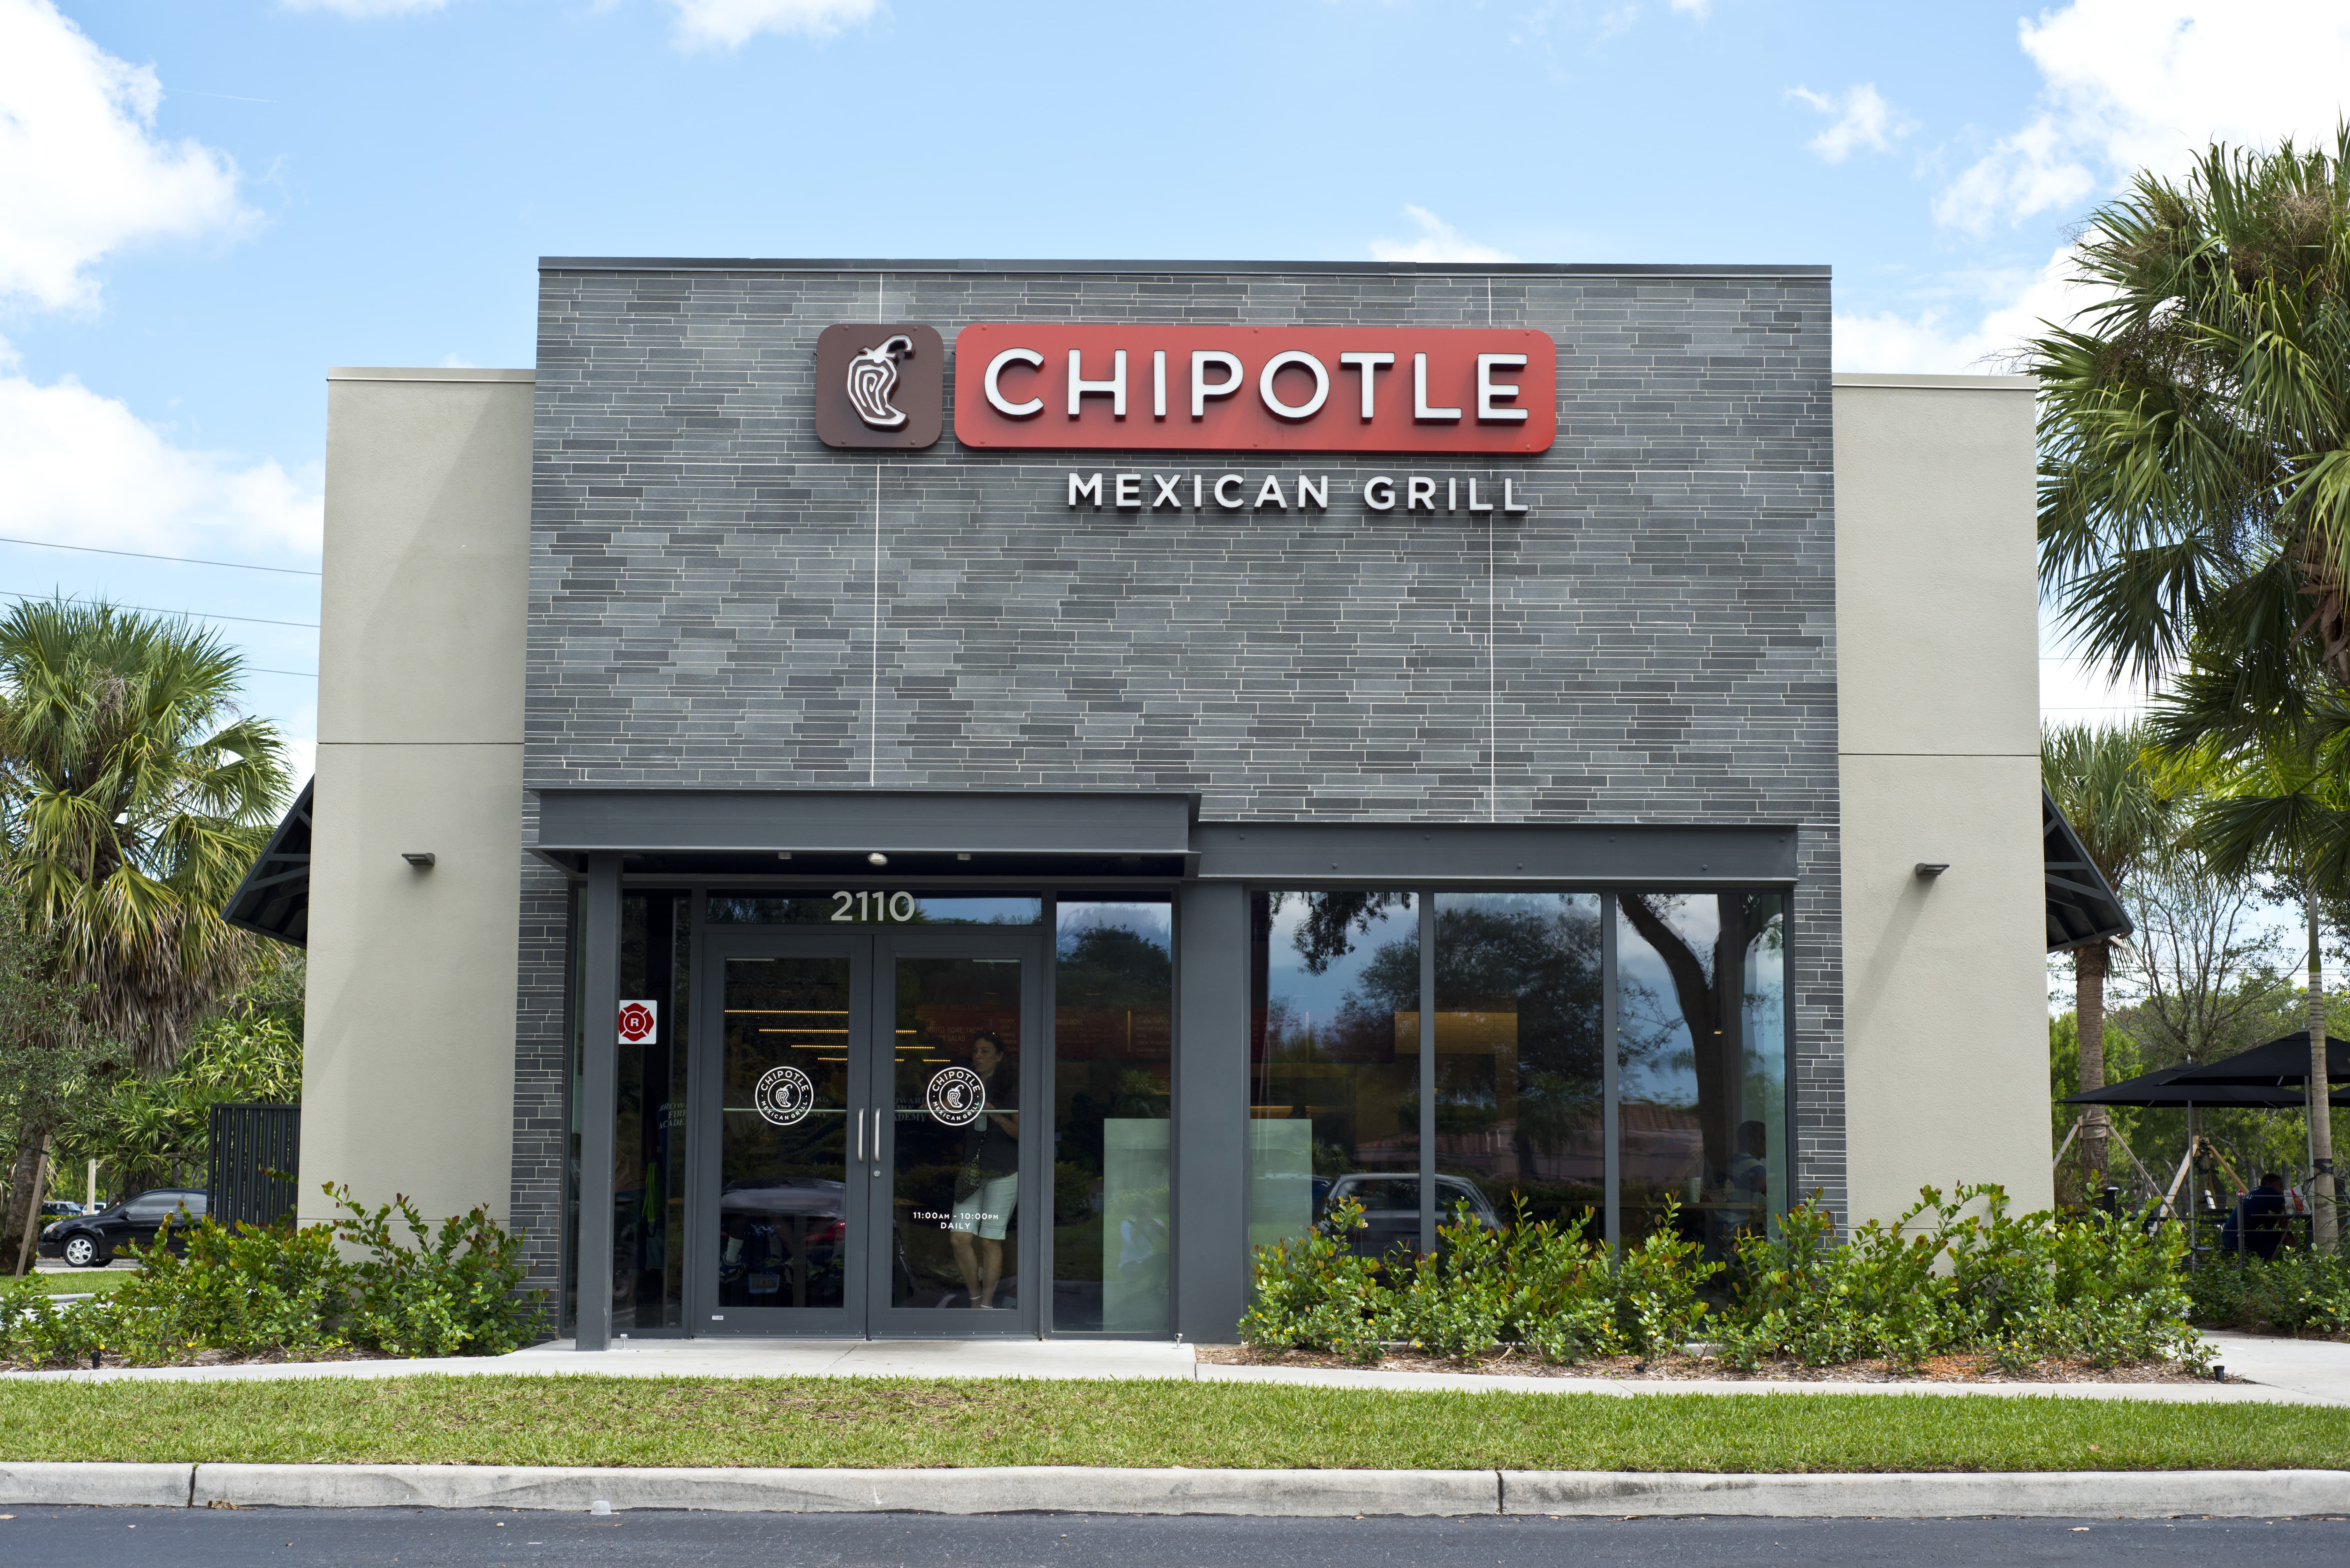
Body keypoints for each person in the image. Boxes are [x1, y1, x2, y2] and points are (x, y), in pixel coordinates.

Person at [947, 1030, 1019, 1308]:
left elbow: (1021, 1134)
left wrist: (996, 1116)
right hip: (972, 1173)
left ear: (999, 1057)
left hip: (1004, 1172)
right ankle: (975, 1298)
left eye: (986, 1051)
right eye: (976, 1050)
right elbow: (949, 1119)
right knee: (960, 1238)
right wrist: (939, 1110)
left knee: (990, 1241)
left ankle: (986, 1307)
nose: (978, 1056)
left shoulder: (1011, 1089)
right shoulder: (966, 1086)